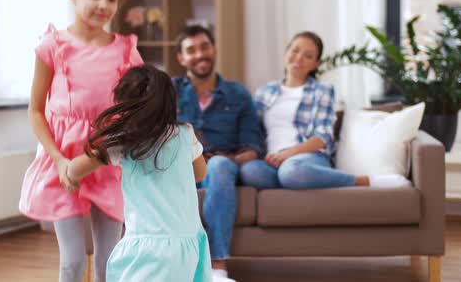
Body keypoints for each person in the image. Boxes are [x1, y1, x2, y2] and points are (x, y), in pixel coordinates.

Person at [18, 0, 143, 282]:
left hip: (107, 160)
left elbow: (138, 108)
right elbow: (35, 110)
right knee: (72, 263)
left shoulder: (126, 51)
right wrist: (59, 161)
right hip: (62, 162)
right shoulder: (52, 46)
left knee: (109, 262)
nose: (104, 5)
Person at [60, 64, 213, 282]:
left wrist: (67, 170)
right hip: (187, 246)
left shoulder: (123, 143)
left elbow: (76, 169)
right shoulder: (185, 134)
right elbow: (200, 173)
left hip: (147, 249)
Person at [242, 31, 411, 190]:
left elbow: (322, 138)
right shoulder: (264, 92)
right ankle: (297, 181)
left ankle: (361, 180)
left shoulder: (322, 90)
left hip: (307, 158)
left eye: (308, 56)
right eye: (295, 50)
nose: (298, 58)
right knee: (249, 172)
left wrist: (287, 154)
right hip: (271, 160)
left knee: (291, 171)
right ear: (286, 52)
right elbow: (253, 131)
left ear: (316, 64)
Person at [173, 25, 261, 282]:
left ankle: (217, 267)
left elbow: (252, 148)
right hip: (181, 167)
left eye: (204, 47)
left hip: (221, 169)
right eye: (191, 50)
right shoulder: (170, 91)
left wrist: (224, 159)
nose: (200, 54)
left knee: (220, 165)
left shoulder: (238, 94)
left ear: (214, 50)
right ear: (181, 58)